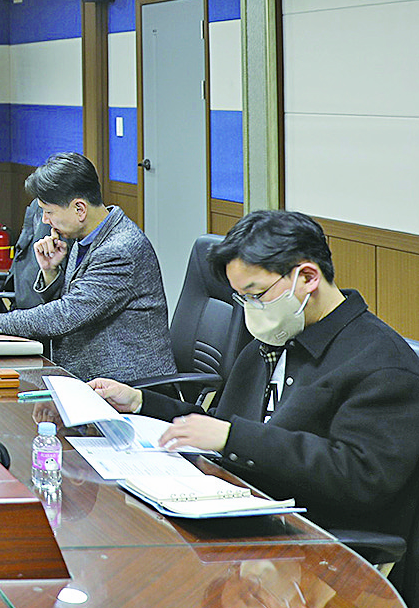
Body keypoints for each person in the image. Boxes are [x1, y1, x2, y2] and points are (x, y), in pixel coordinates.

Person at [92, 209, 419, 541]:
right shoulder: (274, 341)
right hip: (240, 509)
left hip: (313, 541)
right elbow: (222, 425)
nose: (251, 308)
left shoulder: (382, 363)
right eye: (242, 297)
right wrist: (140, 402)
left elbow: (360, 477)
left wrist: (233, 437)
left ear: (307, 277)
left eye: (257, 294)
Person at [0, 152, 175, 382]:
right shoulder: (84, 234)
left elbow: (65, 315)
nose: (45, 221)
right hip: (79, 369)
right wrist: (50, 273)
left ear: (79, 208)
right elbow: (80, 303)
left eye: (48, 212)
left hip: (125, 382)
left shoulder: (119, 250)